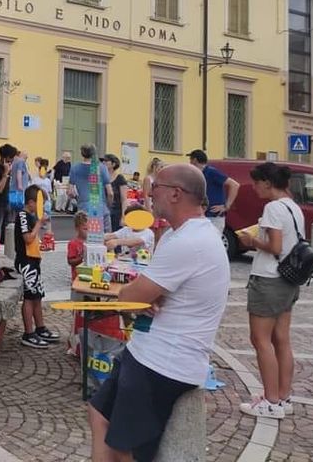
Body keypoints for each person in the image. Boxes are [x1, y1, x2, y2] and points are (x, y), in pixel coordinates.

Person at [88, 164, 230, 462]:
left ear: (176, 194)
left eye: (155, 188)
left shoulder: (188, 242)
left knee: (126, 449)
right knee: (99, 413)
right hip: (147, 351)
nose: (150, 194)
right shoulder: (180, 235)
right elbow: (145, 293)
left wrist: (140, 296)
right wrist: (145, 295)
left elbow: (129, 297)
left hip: (163, 361)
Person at [237, 162, 303, 419]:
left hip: (268, 279)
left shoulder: (273, 208)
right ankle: (283, 397)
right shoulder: (293, 206)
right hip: (287, 280)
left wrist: (251, 240)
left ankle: (271, 401)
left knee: (260, 339)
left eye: (256, 183)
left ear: (267, 182)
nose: (254, 188)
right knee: (281, 339)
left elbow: (275, 247)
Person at [15, 184, 58, 347]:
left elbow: (34, 240)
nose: (42, 207)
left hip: (33, 260)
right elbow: (27, 238)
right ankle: (28, 332)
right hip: (25, 261)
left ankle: (40, 328)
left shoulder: (31, 216)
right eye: (41, 203)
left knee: (37, 296)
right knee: (29, 297)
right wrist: (39, 224)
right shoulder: (23, 215)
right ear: (31, 202)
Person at [187, 149, 240, 234]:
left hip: (214, 218)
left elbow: (234, 185)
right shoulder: (199, 174)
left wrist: (227, 206)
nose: (190, 162)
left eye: (190, 160)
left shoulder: (211, 172)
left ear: (195, 160)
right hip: (202, 216)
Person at [69, 145, 111, 228]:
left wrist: (77, 199)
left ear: (82, 154)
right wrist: (107, 206)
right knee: (106, 235)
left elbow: (70, 192)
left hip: (84, 208)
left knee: (87, 233)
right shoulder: (102, 168)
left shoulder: (75, 168)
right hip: (101, 207)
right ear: (94, 153)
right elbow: (110, 193)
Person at [101, 154, 128, 238]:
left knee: (115, 237)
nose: (103, 163)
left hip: (116, 213)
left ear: (113, 164)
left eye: (106, 161)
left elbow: (124, 199)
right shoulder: (101, 177)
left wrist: (123, 217)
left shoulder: (120, 178)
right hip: (103, 211)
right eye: (103, 161)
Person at [67, 212, 89, 281]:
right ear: (77, 228)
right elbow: (70, 261)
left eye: (89, 228)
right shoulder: (73, 243)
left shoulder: (91, 242)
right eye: (85, 229)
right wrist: (82, 257)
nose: (87, 231)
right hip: (78, 277)